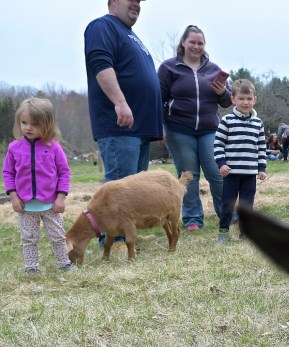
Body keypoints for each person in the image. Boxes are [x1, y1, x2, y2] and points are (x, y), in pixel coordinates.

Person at [158, 25, 231, 231]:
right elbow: (159, 100)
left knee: (217, 172)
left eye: (200, 43)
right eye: (192, 42)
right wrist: (161, 127)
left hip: (209, 129)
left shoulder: (213, 69)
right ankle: (192, 218)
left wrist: (222, 92)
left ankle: (226, 212)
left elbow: (227, 101)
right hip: (179, 129)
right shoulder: (168, 68)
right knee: (188, 175)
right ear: (183, 42)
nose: (196, 46)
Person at [84, 0, 162, 182]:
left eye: (139, 1)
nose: (137, 4)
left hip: (139, 129)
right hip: (120, 127)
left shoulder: (131, 35)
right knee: (120, 197)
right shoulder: (103, 26)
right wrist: (120, 102)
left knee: (134, 196)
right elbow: (101, 64)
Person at [2, 98, 75, 274]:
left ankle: (64, 263)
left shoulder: (54, 148)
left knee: (57, 236)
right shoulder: (14, 148)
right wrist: (13, 196)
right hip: (25, 205)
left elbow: (64, 173)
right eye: (24, 122)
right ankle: (31, 268)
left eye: (34, 124)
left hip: (51, 204)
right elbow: (8, 173)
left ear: (47, 124)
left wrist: (60, 197)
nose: (27, 127)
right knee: (29, 238)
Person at [214, 80, 267, 244]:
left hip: (249, 173)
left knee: (247, 205)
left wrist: (261, 167)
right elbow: (218, 144)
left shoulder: (258, 123)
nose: (245, 102)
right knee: (227, 204)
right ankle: (223, 232)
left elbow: (261, 147)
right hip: (231, 173)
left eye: (249, 98)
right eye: (241, 98)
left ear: (255, 100)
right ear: (233, 100)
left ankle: (245, 233)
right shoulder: (227, 121)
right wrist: (221, 164)